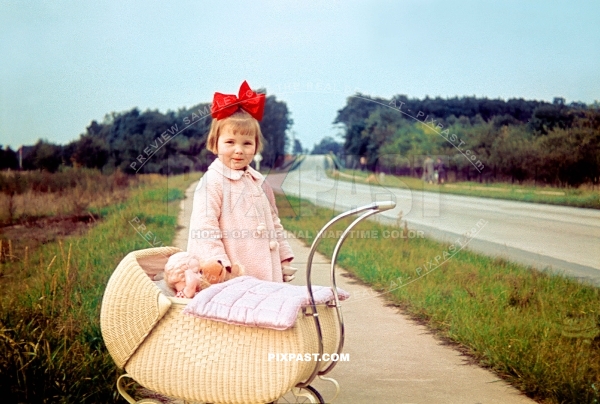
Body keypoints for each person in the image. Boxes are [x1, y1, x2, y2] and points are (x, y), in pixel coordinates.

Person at [187, 81, 294, 283]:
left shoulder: (258, 181)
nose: (239, 150)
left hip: (266, 273)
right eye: (230, 142)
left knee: (266, 312)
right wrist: (217, 264)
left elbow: (274, 222)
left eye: (247, 143)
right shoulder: (213, 182)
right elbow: (205, 227)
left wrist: (283, 258)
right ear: (215, 143)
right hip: (233, 275)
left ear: (256, 146)